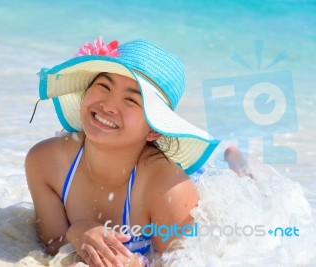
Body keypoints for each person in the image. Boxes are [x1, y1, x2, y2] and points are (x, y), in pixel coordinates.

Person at [25, 37, 220, 267]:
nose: (108, 106)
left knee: (239, 173)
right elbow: (51, 246)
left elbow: (182, 262)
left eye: (130, 100)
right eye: (104, 86)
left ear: (154, 130)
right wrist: (76, 232)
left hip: (199, 182)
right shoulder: (46, 162)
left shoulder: (168, 189)